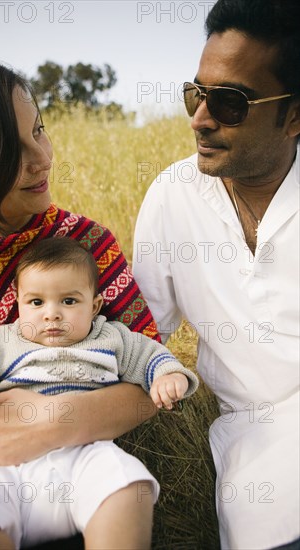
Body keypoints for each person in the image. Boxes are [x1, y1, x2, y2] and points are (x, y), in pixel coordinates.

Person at [0, 47, 161, 546]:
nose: (41, 159)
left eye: (38, 129)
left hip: (82, 476)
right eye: (9, 151)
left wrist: (60, 421)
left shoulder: (86, 246)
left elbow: (151, 374)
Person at [133, 0, 300, 549]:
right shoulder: (173, 195)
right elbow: (136, 337)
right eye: (196, 94)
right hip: (256, 454)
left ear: (294, 114)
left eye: (230, 103)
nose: (199, 119)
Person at [0, 237, 199, 549]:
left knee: (128, 487)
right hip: (7, 469)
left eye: (69, 302)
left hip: (86, 458)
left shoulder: (111, 338)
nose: (52, 314)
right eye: (36, 302)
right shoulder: (0, 343)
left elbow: (150, 357)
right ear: (18, 304)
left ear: (95, 305)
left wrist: (168, 376)